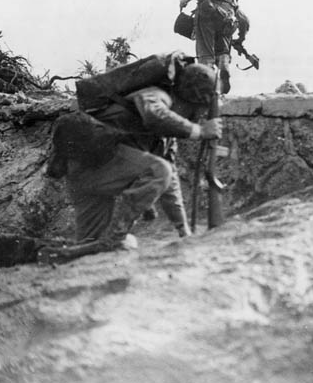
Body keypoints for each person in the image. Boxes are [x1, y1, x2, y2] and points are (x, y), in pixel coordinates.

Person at [50, 58, 221, 251]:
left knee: (90, 249)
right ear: (189, 96)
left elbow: (170, 179)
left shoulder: (163, 133)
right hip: (88, 168)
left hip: (89, 174)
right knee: (158, 170)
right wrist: (198, 131)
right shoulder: (157, 95)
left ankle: (105, 242)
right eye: (196, 109)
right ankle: (115, 236)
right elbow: (153, 115)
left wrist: (183, 231)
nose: (194, 115)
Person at [179, 0, 250, 94]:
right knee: (223, 50)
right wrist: (240, 40)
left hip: (206, 16)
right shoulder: (232, 4)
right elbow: (245, 22)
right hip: (226, 21)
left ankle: (207, 81)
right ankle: (224, 64)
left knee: (206, 51)